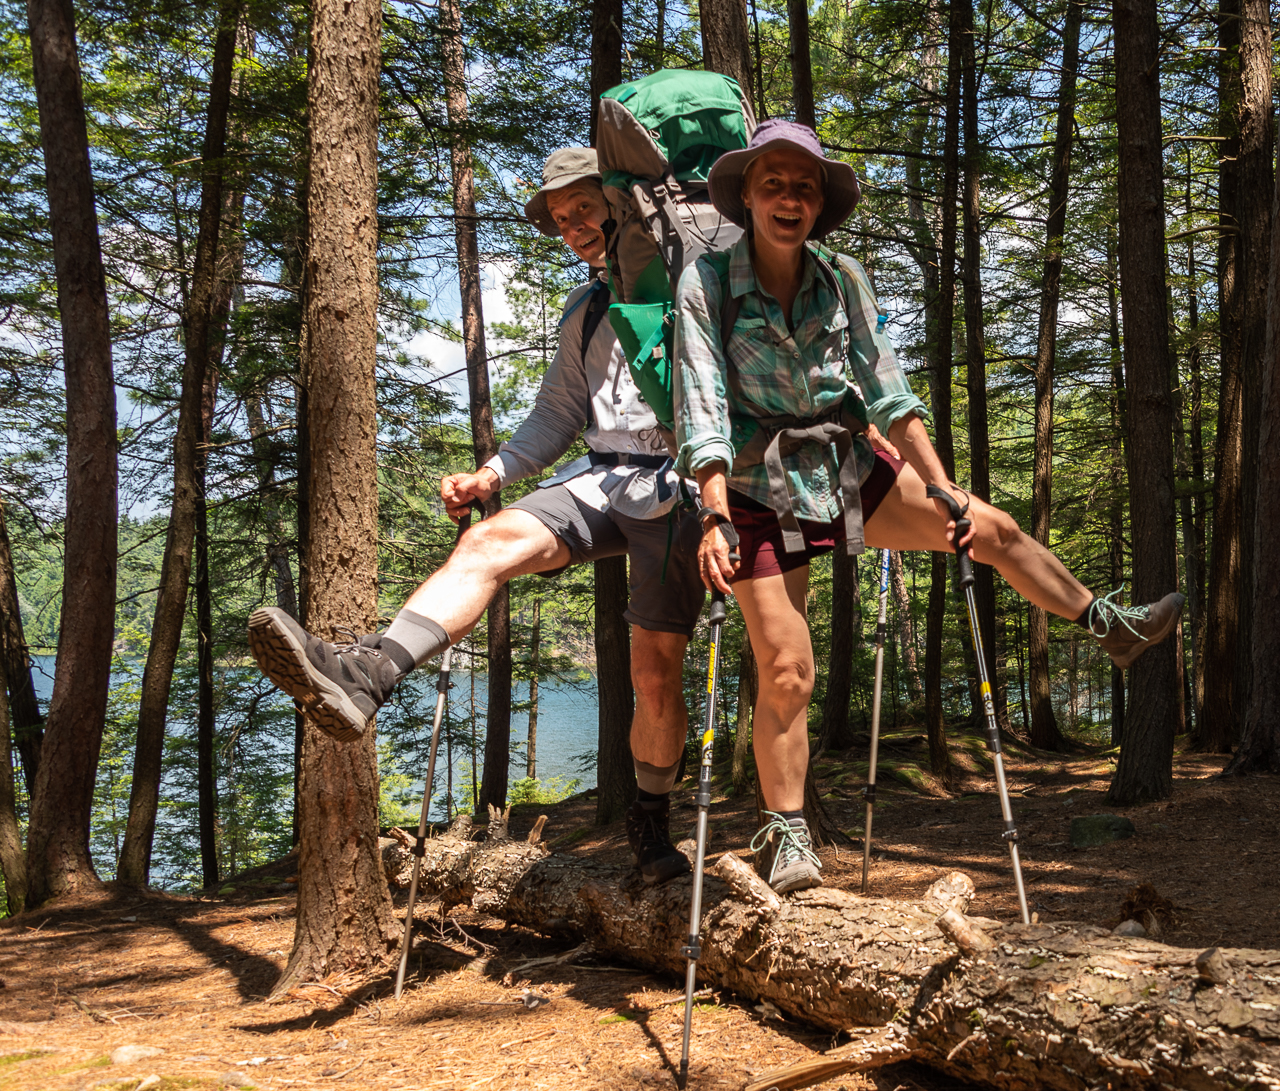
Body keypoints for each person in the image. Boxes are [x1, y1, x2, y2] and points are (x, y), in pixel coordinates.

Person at [674, 119, 1183, 895]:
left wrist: (942, 484)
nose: (789, 197)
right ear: (746, 194)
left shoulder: (843, 275)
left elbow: (889, 392)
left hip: (846, 464)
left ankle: (1106, 625)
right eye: (772, 182)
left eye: (804, 186)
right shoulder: (705, 281)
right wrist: (711, 511)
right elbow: (700, 405)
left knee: (995, 527)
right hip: (748, 487)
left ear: (821, 203)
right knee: (786, 668)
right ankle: (785, 835)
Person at [247, 147, 708, 885]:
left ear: (618, 201)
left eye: (583, 207)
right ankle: (368, 673)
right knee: (489, 540)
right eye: (560, 219)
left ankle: (651, 826)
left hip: (682, 485)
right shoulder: (584, 312)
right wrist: (489, 474)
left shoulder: (690, 288)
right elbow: (557, 413)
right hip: (606, 474)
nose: (573, 226)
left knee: (655, 674)